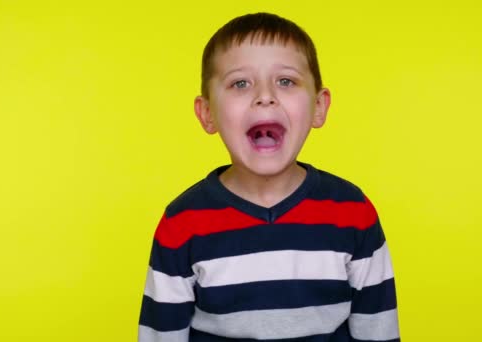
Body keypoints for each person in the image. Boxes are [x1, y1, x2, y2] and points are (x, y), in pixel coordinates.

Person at [138, 12, 399, 341]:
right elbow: (161, 334)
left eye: (286, 81)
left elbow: (379, 328)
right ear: (207, 114)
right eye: (240, 83)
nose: (265, 95)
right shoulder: (182, 223)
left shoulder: (353, 213)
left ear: (319, 106)